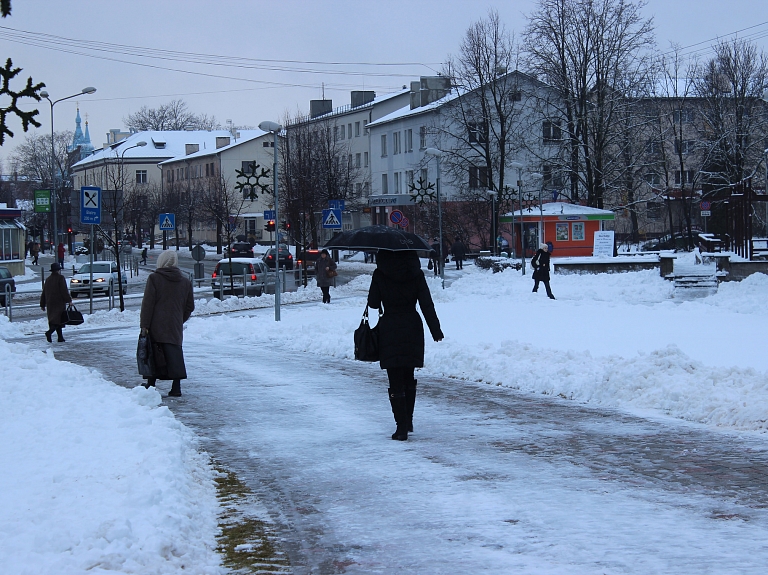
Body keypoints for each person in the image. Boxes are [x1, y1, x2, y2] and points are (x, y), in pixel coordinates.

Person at [367, 250, 444, 441]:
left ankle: (401, 427)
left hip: (390, 327)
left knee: (395, 378)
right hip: (412, 326)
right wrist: (436, 330)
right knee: (409, 376)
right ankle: (408, 419)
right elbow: (427, 303)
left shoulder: (380, 273)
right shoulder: (416, 273)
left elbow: (374, 303)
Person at [139, 250, 195, 397]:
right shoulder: (185, 282)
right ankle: (176, 387)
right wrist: (178, 319)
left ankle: (151, 384)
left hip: (156, 324)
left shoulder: (154, 279)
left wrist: (144, 325)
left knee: (153, 353)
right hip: (174, 325)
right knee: (174, 353)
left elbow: (148, 304)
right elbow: (190, 306)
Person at [40, 262, 71, 343]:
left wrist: (42, 304)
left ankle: (60, 337)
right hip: (59, 302)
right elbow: (64, 290)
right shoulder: (60, 278)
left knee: (54, 319)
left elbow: (44, 292)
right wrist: (69, 300)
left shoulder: (48, 279)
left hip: (50, 302)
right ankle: (49, 333)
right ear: (58, 270)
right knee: (58, 320)